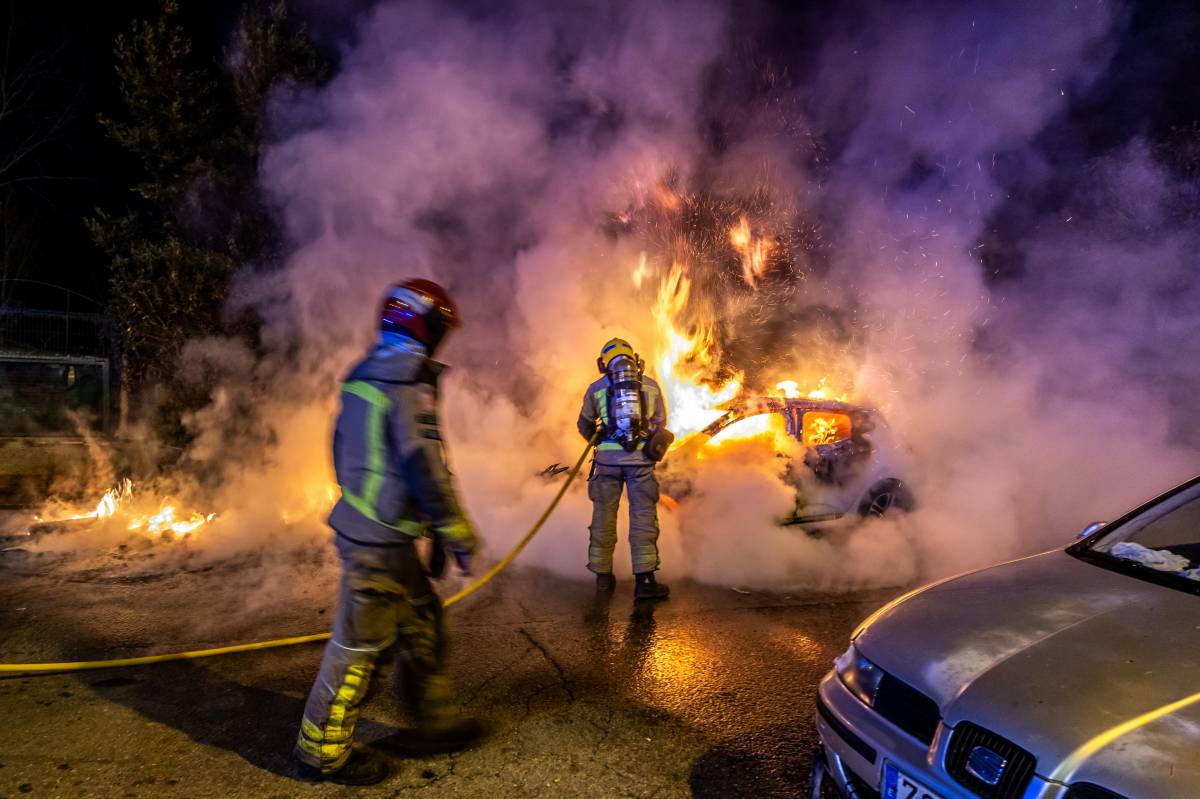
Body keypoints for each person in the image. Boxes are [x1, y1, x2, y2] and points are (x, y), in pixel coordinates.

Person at [293, 279, 481, 785]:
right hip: (378, 542)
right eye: (439, 327)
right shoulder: (405, 379)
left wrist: (420, 525)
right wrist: (454, 529)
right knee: (359, 647)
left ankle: (434, 722)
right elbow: (423, 463)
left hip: (380, 532)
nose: (443, 337)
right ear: (422, 324)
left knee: (422, 620)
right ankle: (322, 753)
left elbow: (344, 451)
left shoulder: (366, 374)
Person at [577, 338, 672, 600]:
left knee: (603, 518)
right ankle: (645, 581)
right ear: (634, 358)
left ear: (603, 363)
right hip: (641, 463)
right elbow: (661, 423)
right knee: (643, 518)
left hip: (606, 464)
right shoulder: (651, 386)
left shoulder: (596, 388)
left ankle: (603, 578)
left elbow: (584, 424)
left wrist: (601, 441)